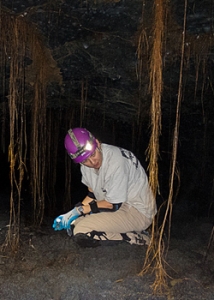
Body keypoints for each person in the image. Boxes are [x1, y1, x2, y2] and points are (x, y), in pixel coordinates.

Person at [53, 127, 157, 247]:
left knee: (82, 230)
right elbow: (92, 195)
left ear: (97, 143)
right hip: (120, 207)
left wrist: (79, 211)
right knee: (74, 225)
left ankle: (137, 238)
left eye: (93, 154)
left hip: (138, 211)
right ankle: (127, 231)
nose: (92, 162)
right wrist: (71, 214)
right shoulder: (85, 167)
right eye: (85, 160)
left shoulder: (116, 161)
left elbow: (112, 205)